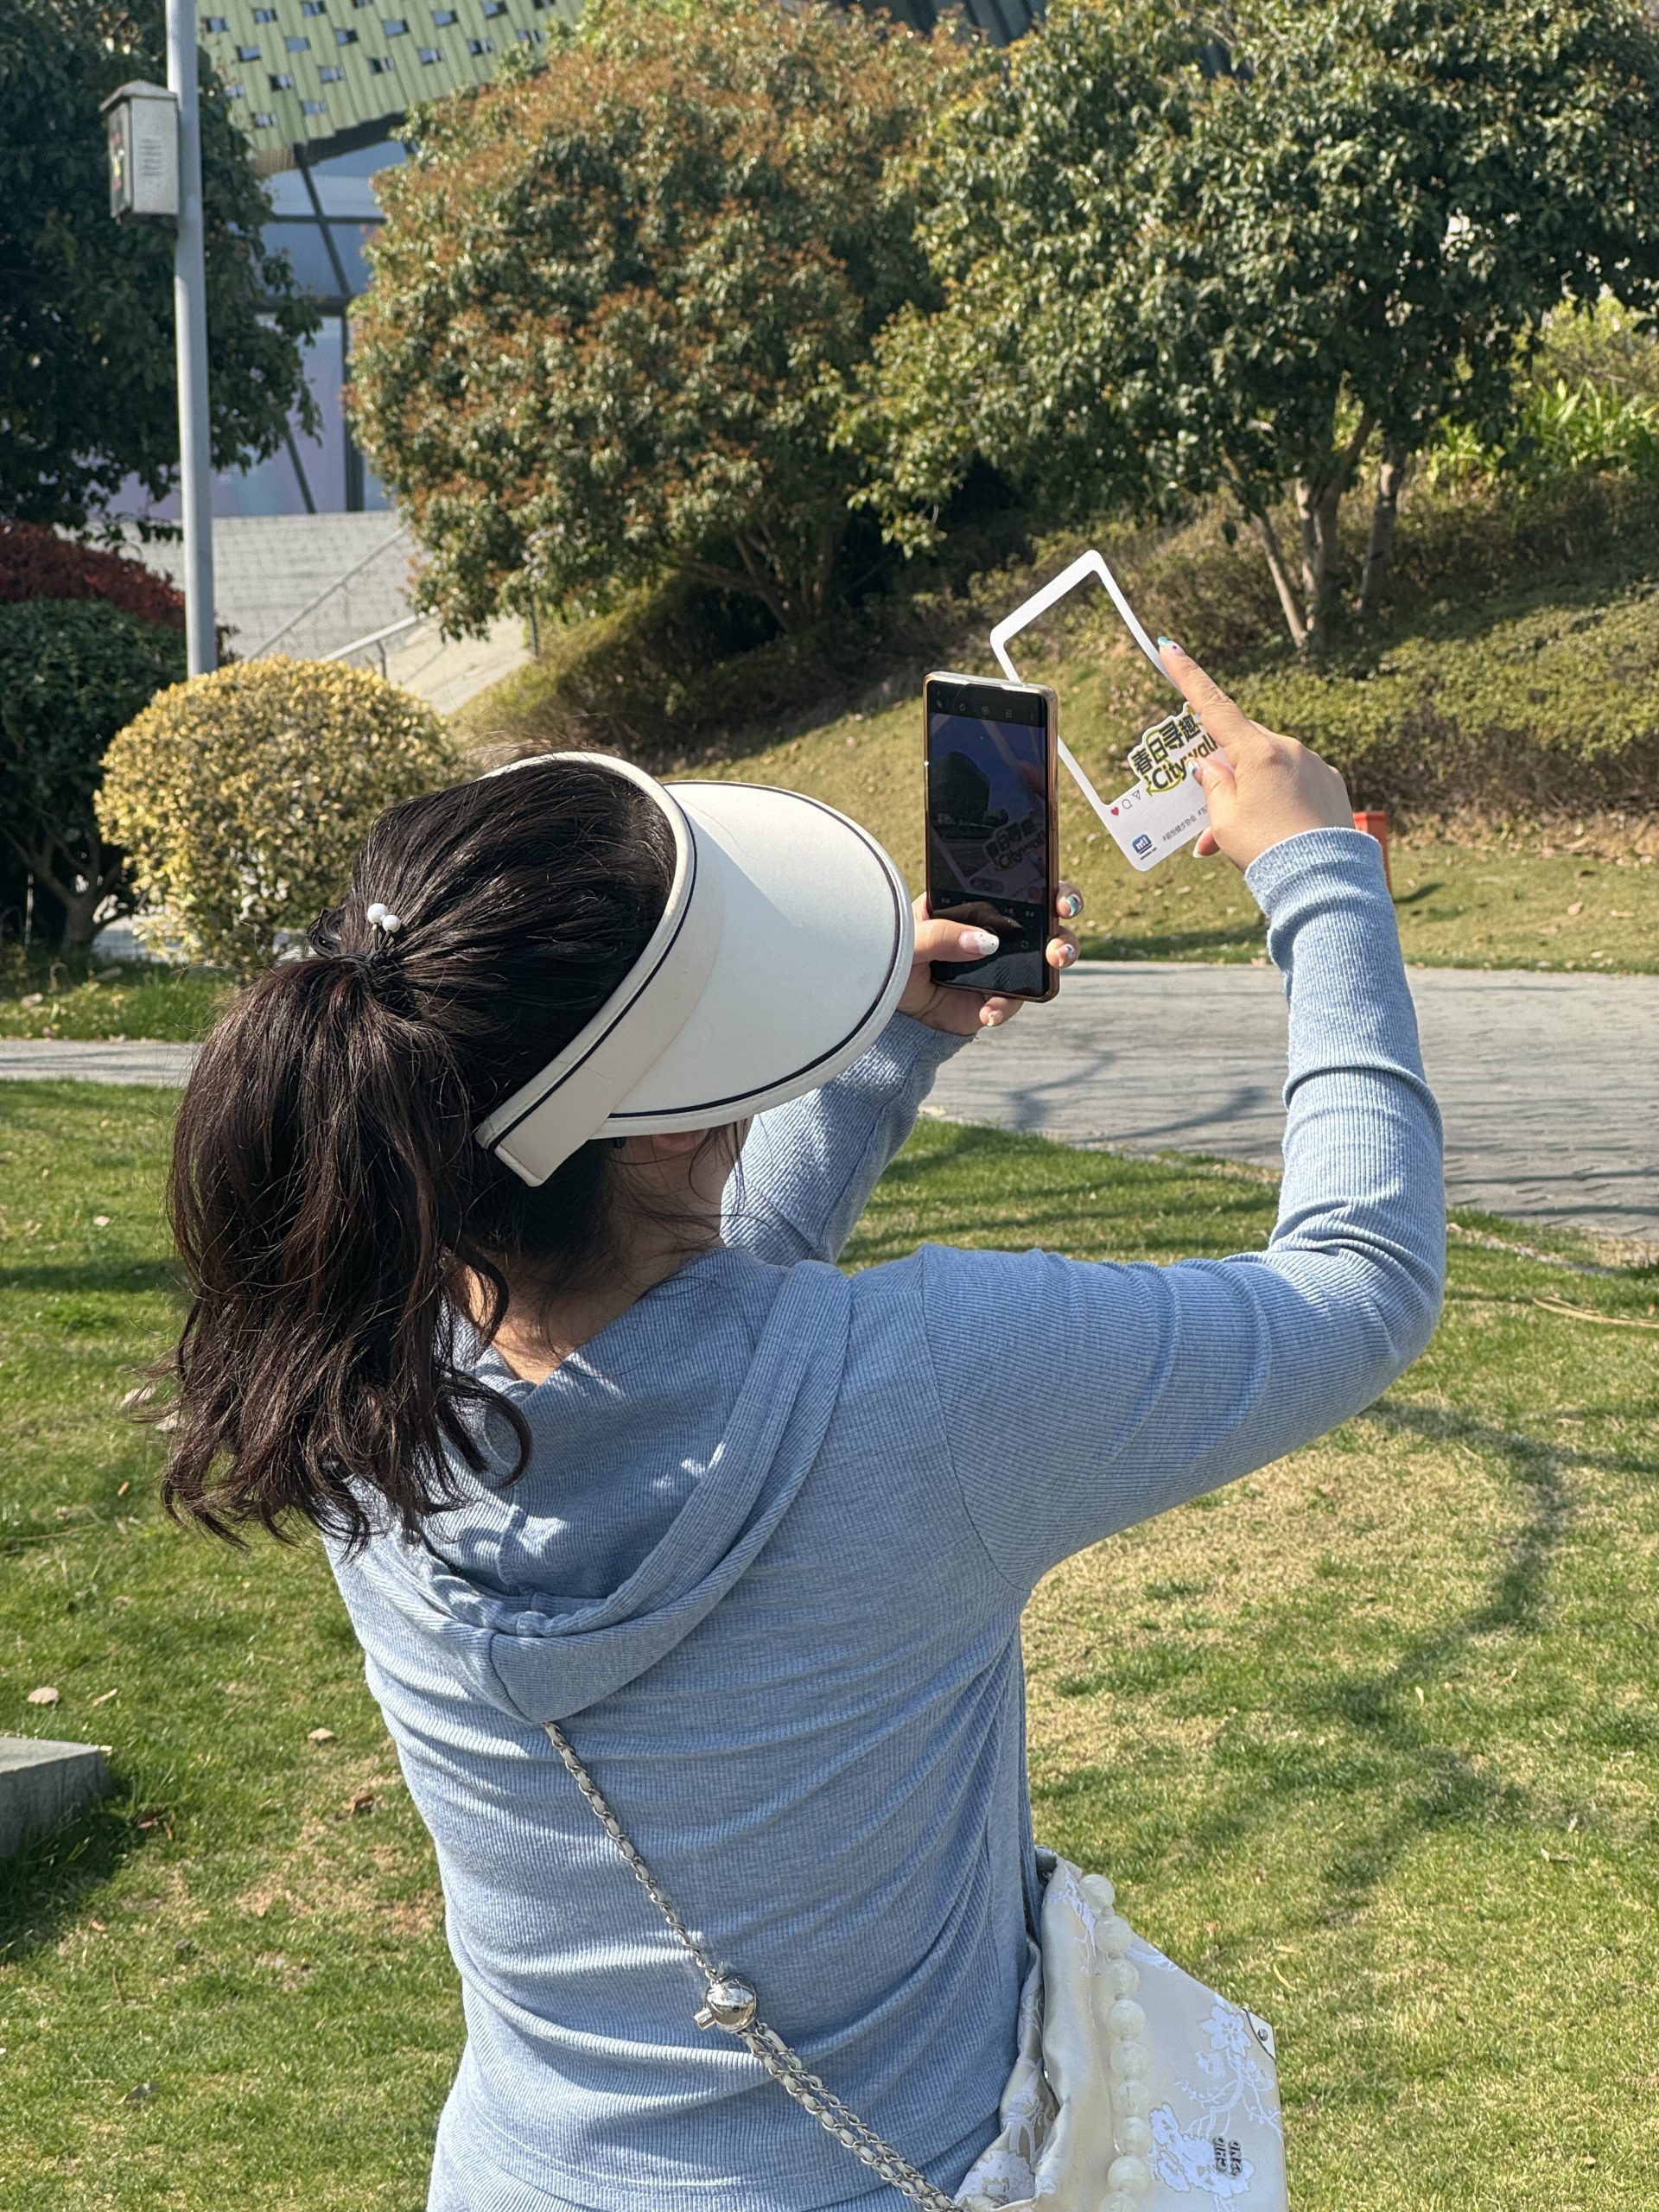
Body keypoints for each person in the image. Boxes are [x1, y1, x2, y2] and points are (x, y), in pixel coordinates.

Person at [156, 645, 1443, 2212]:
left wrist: (885, 1050)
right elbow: (1360, 1282)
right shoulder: (933, 1390)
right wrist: (1321, 873)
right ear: (682, 1124)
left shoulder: (349, 1391)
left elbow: (684, 1317)